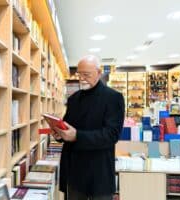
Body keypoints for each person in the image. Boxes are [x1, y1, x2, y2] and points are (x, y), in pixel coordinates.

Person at [51, 55, 125, 200]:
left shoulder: (113, 98)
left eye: (87, 74)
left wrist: (77, 136)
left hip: (99, 172)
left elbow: (112, 135)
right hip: (74, 172)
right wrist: (59, 134)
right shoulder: (73, 99)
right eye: (79, 74)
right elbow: (67, 128)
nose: (82, 78)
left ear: (98, 73)